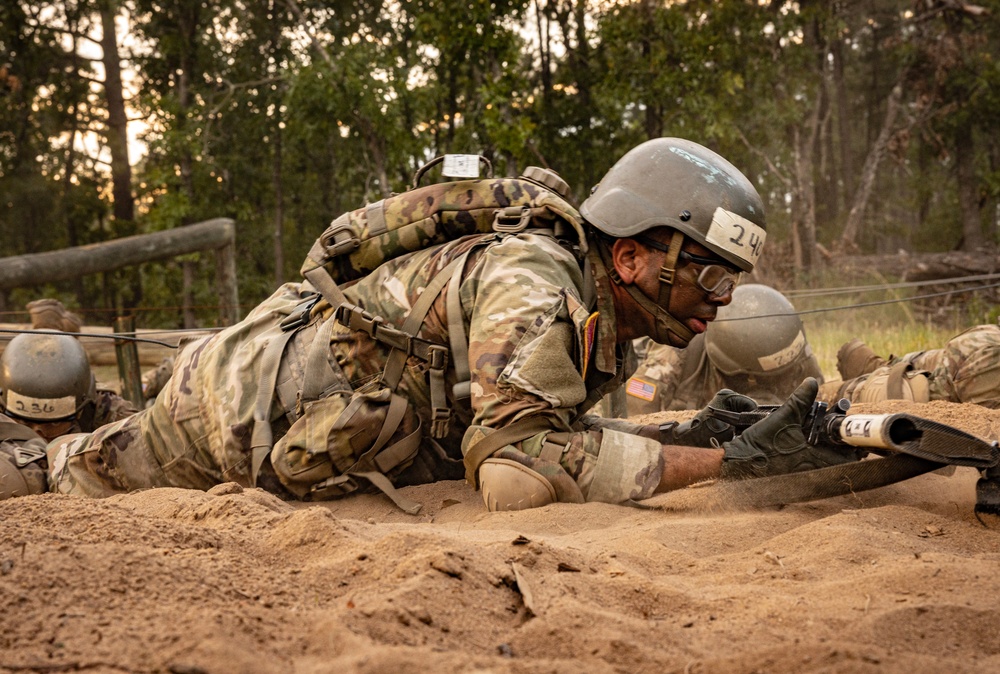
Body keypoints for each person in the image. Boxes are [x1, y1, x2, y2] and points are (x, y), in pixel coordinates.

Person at [28, 138, 860, 511]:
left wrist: (692, 430)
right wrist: (722, 463)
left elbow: (540, 422)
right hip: (222, 417)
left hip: (278, 413)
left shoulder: (601, 303)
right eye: (711, 275)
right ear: (637, 258)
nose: (720, 302)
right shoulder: (537, 279)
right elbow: (513, 473)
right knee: (62, 471)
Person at [620, 284, 825, 416]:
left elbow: (819, 398)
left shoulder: (791, 350)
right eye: (761, 380)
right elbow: (636, 419)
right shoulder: (673, 357)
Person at [0, 331, 137, 497]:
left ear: (80, 411)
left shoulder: (111, 412)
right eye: (24, 422)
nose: (37, 432)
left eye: (54, 424)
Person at [819, 323, 1000, 407]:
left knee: (938, 369)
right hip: (980, 359)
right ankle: (822, 396)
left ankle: (874, 368)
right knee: (912, 393)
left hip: (975, 346)